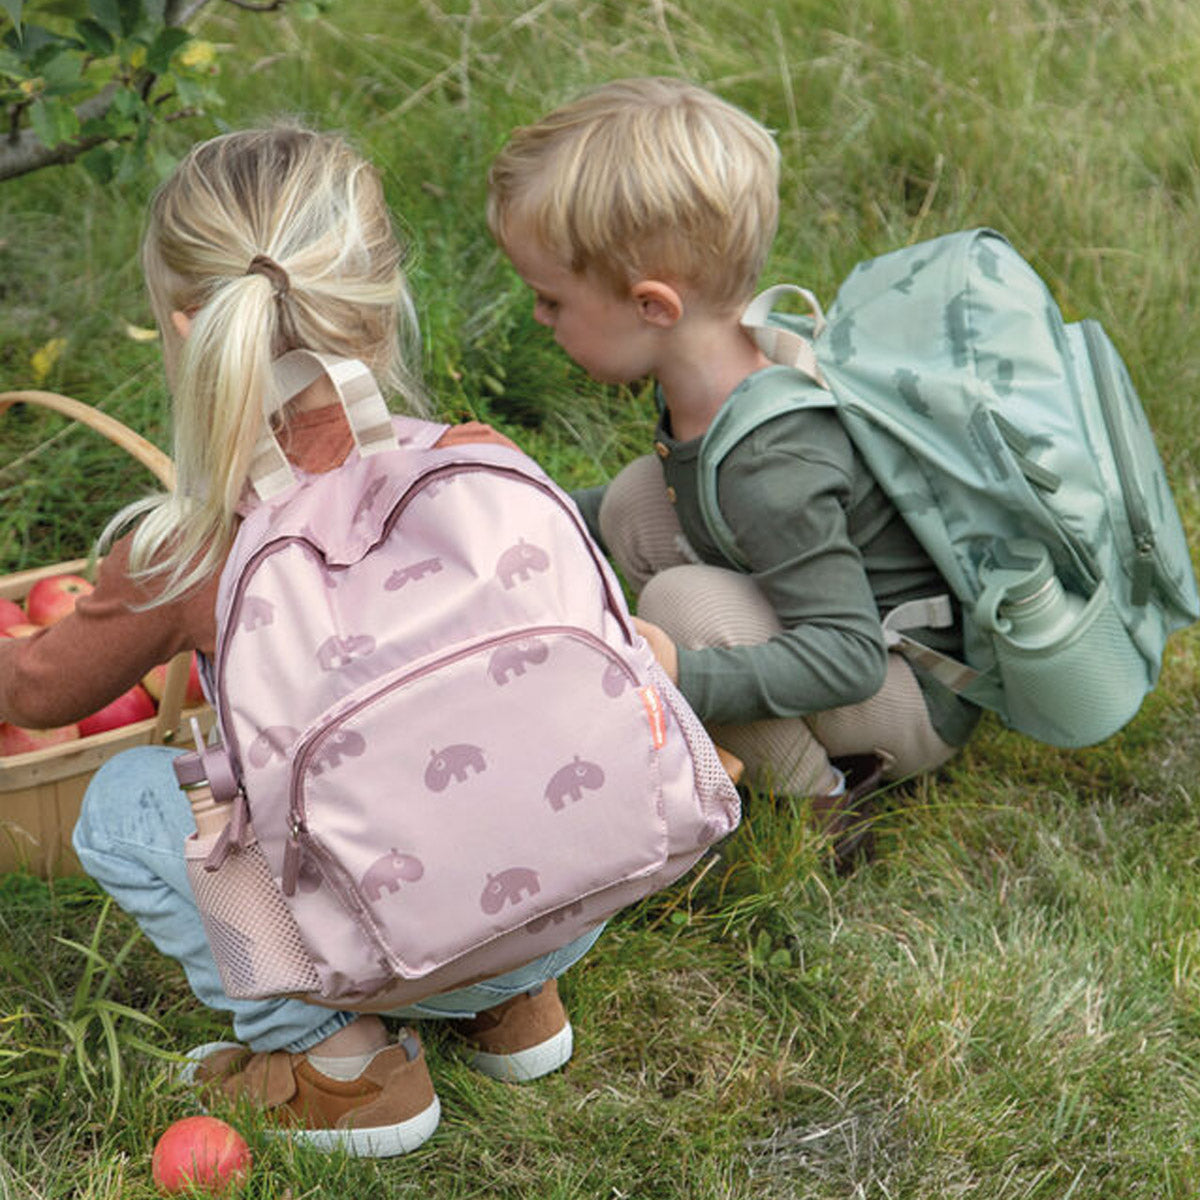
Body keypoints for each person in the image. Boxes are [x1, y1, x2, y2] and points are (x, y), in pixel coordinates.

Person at [0, 123, 601, 1157]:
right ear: (381, 302)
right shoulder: (479, 465)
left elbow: (39, 694)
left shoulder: (191, 550)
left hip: (386, 934)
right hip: (568, 892)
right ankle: (515, 1004)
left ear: (188, 330)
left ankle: (336, 1061)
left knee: (129, 805)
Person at [485, 77, 980, 867]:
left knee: (683, 605)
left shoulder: (772, 461)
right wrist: (509, 503)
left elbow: (847, 655)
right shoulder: (721, 371)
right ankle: (725, 700)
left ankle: (822, 804)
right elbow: (667, 501)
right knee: (635, 500)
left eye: (551, 300)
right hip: (862, 652)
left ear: (653, 306)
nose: (539, 319)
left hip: (908, 696)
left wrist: (685, 673)